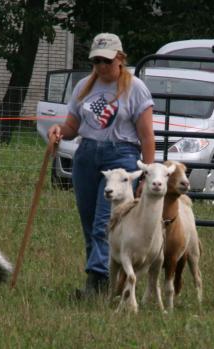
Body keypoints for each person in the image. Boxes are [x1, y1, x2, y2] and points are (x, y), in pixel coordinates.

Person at [47, 33, 155, 299]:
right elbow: (73, 126)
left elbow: (147, 136)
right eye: (96, 61)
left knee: (103, 223)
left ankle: (97, 282)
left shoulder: (136, 88)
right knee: (88, 221)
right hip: (86, 156)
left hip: (121, 158)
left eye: (106, 61)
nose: (101, 66)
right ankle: (104, 277)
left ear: (120, 59)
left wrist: (146, 174)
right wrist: (59, 131)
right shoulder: (84, 85)